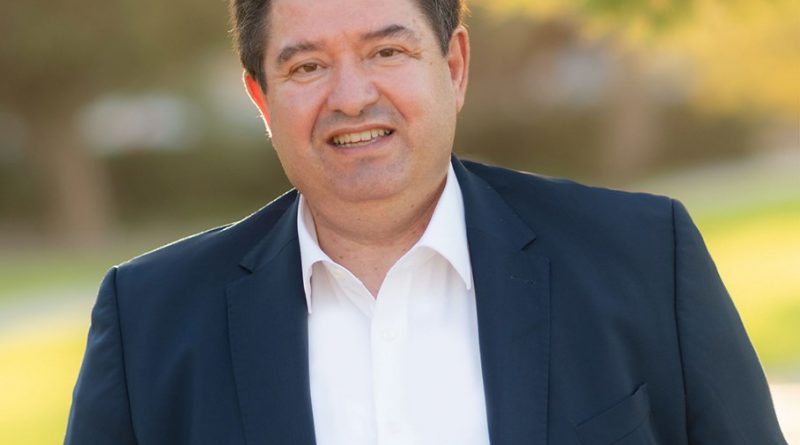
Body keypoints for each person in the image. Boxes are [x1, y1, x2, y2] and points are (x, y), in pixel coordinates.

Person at [65, 0, 787, 443]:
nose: (352, 97)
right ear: (262, 98)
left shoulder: (644, 259)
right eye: (307, 67)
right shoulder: (148, 321)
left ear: (455, 66)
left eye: (386, 51)